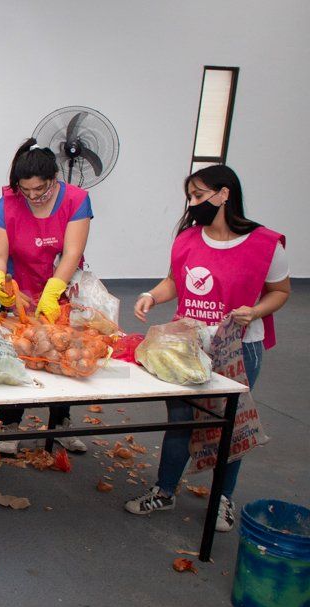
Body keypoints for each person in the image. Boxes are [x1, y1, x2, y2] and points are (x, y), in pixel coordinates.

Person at [125, 165, 289, 532]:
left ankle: (222, 498)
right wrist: (151, 295)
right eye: (191, 197)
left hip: (239, 347)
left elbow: (280, 291)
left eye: (199, 196)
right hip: (188, 344)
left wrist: (255, 311)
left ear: (224, 194)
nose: (193, 204)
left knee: (229, 421)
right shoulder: (188, 239)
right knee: (181, 419)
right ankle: (164, 490)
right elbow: (175, 281)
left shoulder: (265, 244)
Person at [0, 139, 93, 456]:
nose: (32, 196)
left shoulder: (76, 200)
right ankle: (9, 424)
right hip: (19, 287)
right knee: (17, 354)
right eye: (26, 190)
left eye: (40, 190)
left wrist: (53, 291)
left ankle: (60, 422)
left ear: (54, 180)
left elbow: (72, 253)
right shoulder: (8, 204)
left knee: (62, 354)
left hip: (59, 287)